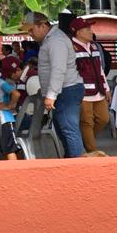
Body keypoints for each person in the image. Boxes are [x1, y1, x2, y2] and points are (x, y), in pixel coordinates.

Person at [27, 10, 85, 157]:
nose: (30, 34)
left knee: (69, 130)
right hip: (64, 90)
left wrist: (51, 94)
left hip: (67, 89)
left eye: (31, 29)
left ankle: (78, 166)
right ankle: (72, 162)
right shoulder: (50, 40)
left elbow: (59, 69)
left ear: (42, 26)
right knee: (64, 130)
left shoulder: (56, 41)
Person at [71, 18, 111, 156]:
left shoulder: (94, 46)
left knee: (104, 118)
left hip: (98, 91)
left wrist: (106, 88)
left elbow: (100, 69)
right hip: (83, 93)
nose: (91, 32)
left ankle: (85, 142)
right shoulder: (71, 48)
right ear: (78, 32)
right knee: (87, 122)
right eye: (88, 29)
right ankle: (92, 151)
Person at [0, 55, 24, 159]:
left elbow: (15, 94)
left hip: (5, 118)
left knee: (8, 148)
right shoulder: (6, 82)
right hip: (9, 117)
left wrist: (9, 106)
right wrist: (10, 106)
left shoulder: (1, 82)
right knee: (10, 148)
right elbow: (16, 94)